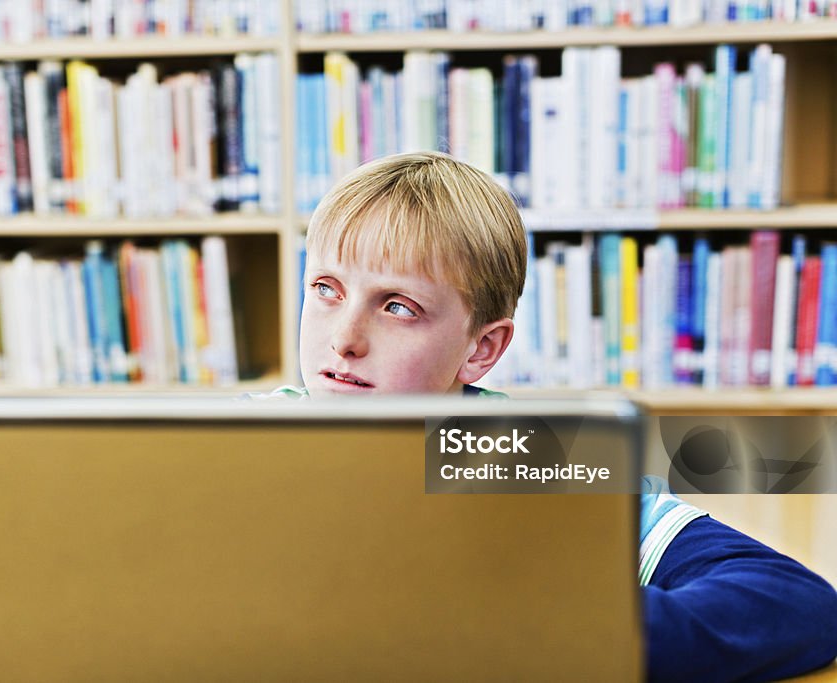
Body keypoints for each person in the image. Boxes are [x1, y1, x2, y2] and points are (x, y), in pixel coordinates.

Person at [260, 151, 837, 682]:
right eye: (326, 289)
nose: (344, 339)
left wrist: (547, 630)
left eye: (398, 307)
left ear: (479, 350)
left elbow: (792, 600)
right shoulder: (234, 441)